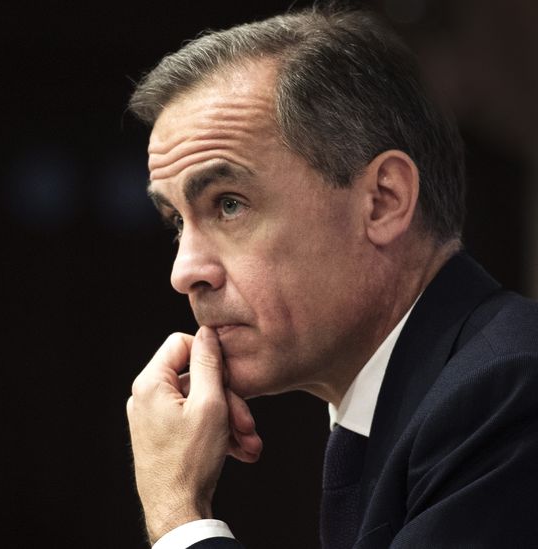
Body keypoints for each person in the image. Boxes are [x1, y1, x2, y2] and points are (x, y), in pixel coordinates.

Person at [125, 6, 538, 549]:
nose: (185, 273)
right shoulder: (422, 397)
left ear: (383, 201)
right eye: (179, 221)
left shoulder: (507, 394)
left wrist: (178, 511)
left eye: (228, 204)